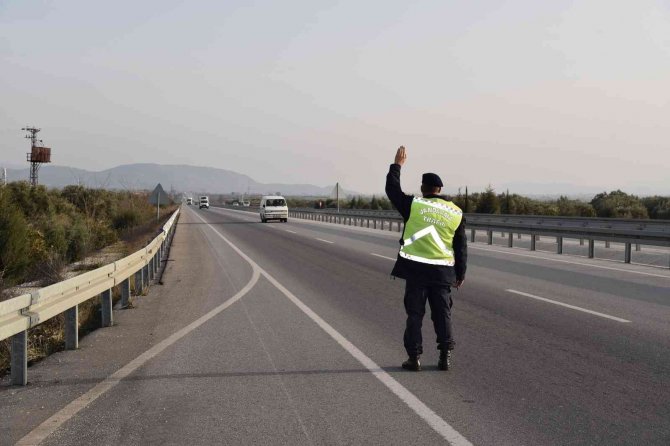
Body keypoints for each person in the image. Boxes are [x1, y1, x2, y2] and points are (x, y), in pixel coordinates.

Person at [385, 146, 467, 371]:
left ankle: (414, 358)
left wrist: (397, 165)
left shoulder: (414, 205)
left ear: (423, 188)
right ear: (440, 189)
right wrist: (460, 274)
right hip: (442, 274)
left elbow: (392, 190)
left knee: (415, 315)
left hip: (417, 272)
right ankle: (445, 357)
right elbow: (460, 248)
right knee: (443, 315)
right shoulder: (455, 212)